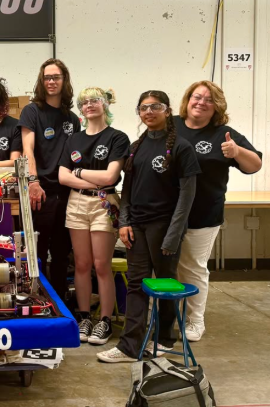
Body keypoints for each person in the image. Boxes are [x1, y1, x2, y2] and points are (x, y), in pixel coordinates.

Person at [97, 90, 201, 363]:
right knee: (136, 284)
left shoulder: (182, 147)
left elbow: (187, 195)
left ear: (167, 111)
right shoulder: (136, 147)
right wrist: (124, 222)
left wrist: (173, 235)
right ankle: (129, 347)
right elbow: (127, 190)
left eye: (156, 106)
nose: (149, 111)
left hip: (165, 227)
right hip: (136, 228)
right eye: (144, 107)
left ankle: (165, 338)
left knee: (164, 284)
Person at [175, 81, 262, 341]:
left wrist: (236, 152)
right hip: (166, 213)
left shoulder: (223, 133)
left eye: (208, 99)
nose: (201, 102)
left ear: (217, 106)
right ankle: (168, 317)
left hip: (203, 214)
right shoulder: (172, 126)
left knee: (193, 268)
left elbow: (255, 164)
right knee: (167, 269)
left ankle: (195, 322)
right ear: (187, 99)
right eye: (196, 96)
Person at [58, 87, 130, 345]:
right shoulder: (73, 139)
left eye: (95, 100)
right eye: (84, 102)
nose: (89, 105)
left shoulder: (117, 138)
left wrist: (78, 174)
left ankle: (105, 320)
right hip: (76, 203)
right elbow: (61, 177)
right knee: (81, 264)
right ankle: (85, 316)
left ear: (105, 104)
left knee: (102, 265)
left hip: (105, 203)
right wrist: (87, 178)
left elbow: (110, 177)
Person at [18, 58, 80, 301]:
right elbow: (28, 149)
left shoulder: (72, 118)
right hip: (40, 192)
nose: (51, 82)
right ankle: (38, 299)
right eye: (47, 78)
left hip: (67, 193)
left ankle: (60, 302)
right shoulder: (32, 111)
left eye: (56, 77)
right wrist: (33, 182)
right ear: (41, 82)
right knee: (37, 252)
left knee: (63, 253)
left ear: (64, 80)